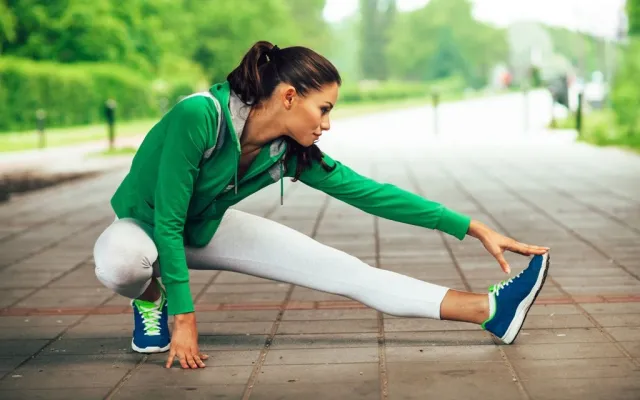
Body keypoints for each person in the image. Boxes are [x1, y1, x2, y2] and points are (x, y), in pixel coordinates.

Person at [93, 41, 550, 370]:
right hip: (144, 225)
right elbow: (168, 220)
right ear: (289, 96)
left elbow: (371, 194)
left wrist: (470, 227)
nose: (327, 124)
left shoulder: (287, 150)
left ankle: (491, 311)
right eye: (324, 108)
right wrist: (184, 317)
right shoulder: (199, 117)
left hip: (203, 228)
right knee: (121, 264)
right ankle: (152, 299)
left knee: (348, 271)